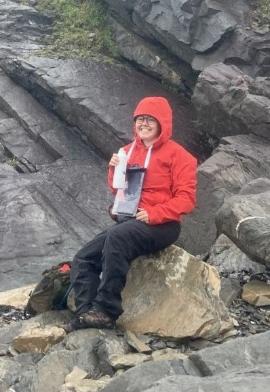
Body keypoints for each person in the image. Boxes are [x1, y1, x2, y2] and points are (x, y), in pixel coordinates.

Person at [64, 96, 197, 332]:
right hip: (130, 220)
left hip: (162, 224)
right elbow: (119, 189)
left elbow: (186, 199)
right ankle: (87, 313)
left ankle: (106, 310)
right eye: (139, 119)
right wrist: (114, 169)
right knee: (84, 257)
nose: (143, 124)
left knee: (117, 238)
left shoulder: (180, 156)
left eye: (149, 119)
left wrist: (155, 213)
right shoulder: (127, 151)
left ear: (162, 123)